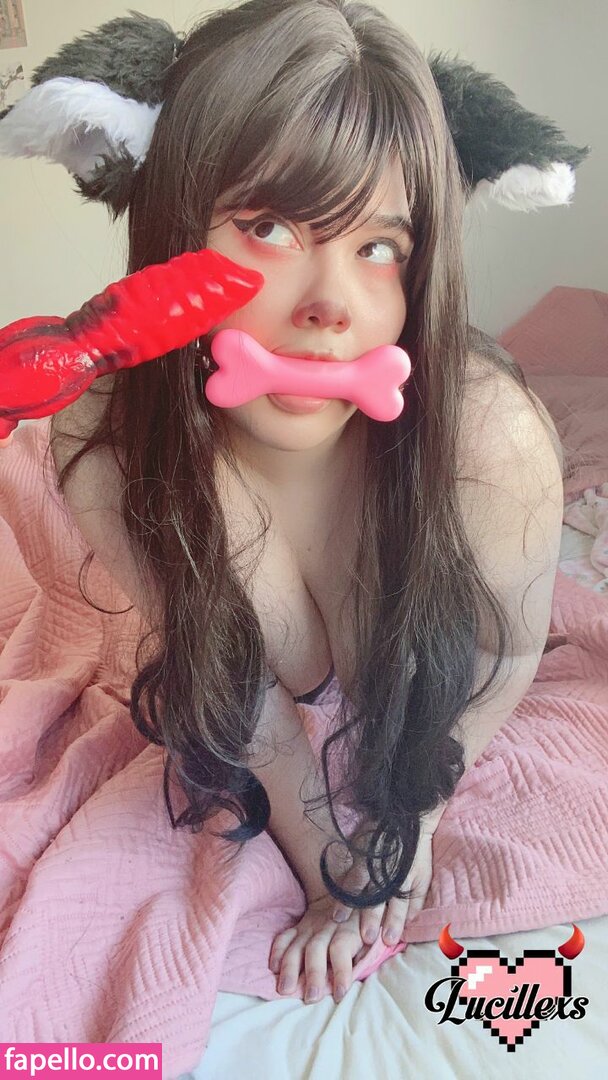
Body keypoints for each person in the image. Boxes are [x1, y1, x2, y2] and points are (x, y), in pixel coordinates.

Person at [46, 0, 565, 1006]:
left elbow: (499, 660)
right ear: (172, 226)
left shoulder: (490, 445)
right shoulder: (104, 444)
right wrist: (333, 865)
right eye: (269, 227)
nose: (333, 303)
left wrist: (411, 823)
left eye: (379, 245)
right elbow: (247, 705)